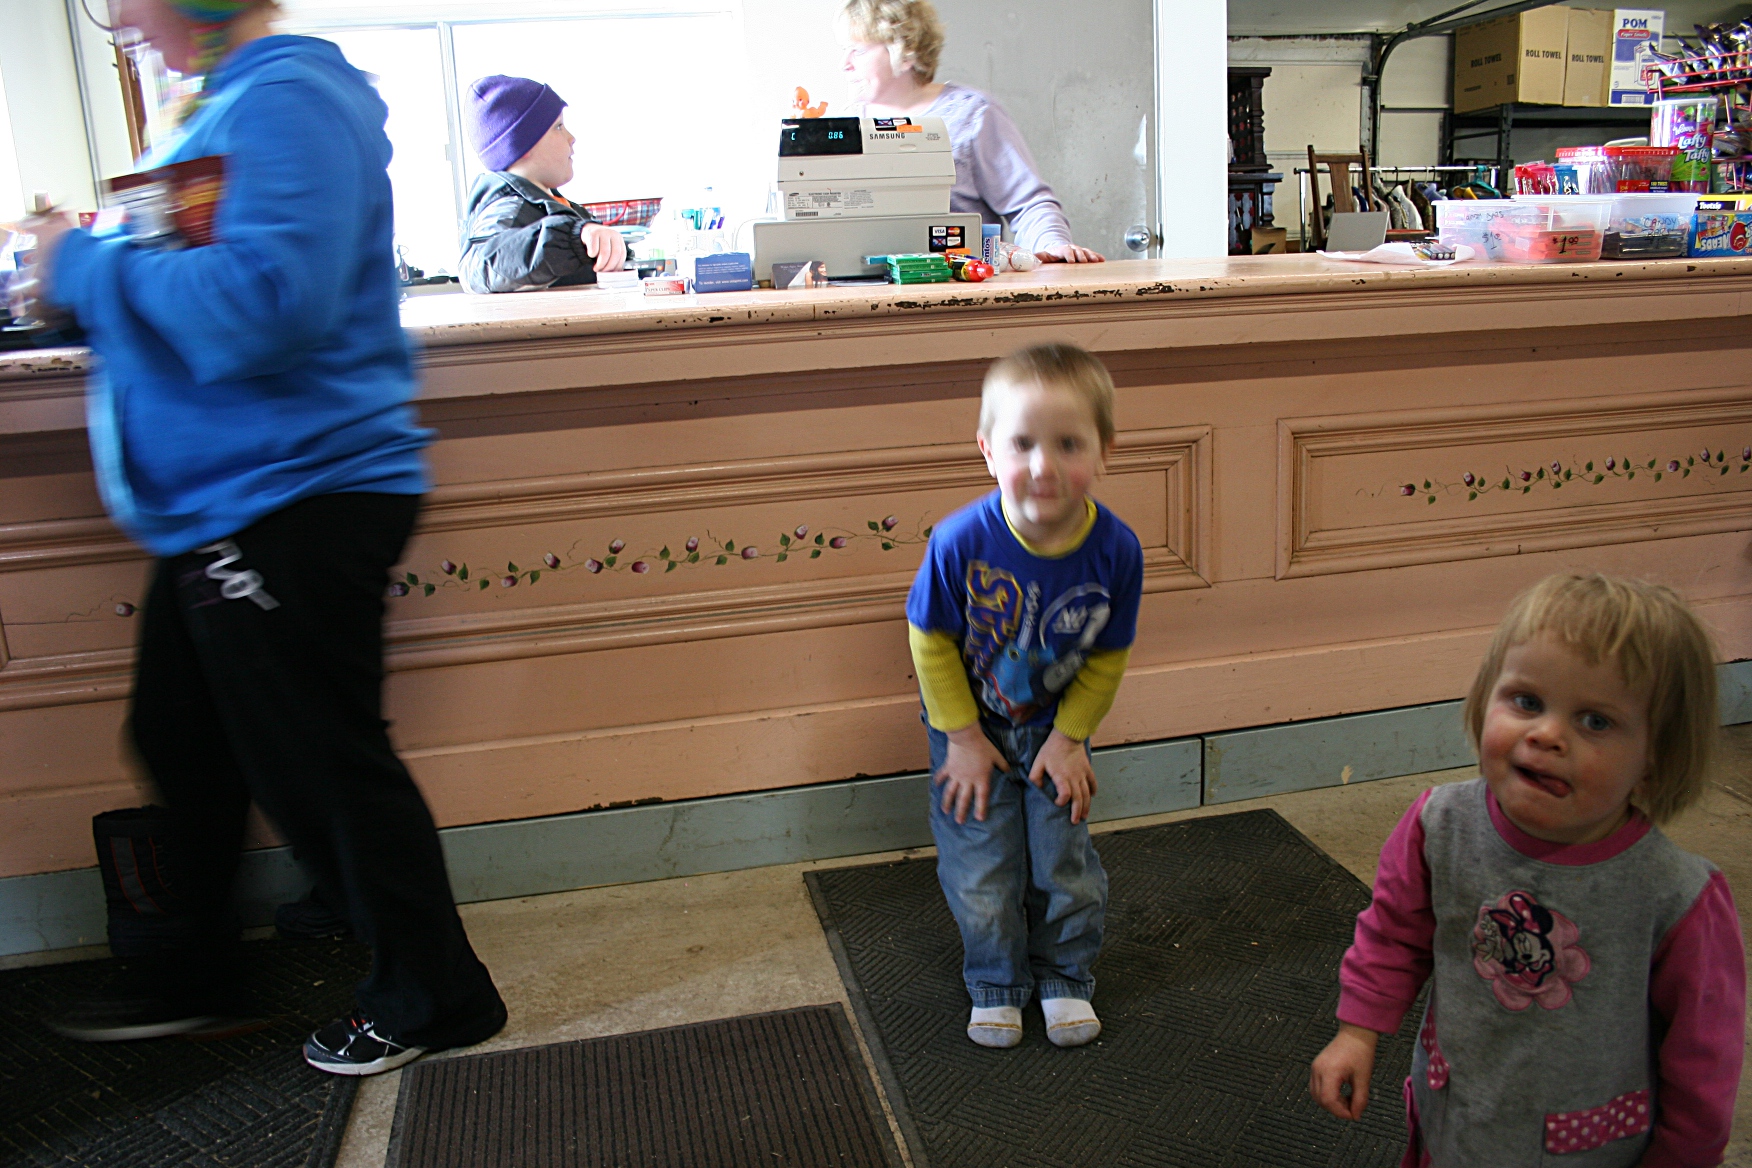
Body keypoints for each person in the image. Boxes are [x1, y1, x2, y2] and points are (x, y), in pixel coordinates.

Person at [26, 0, 507, 1075]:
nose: (120, 23)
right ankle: (193, 978)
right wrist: (82, 269)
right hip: (226, 502)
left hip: (295, 492)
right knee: (185, 736)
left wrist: (85, 269)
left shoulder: (289, 100)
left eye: (129, 2)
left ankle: (436, 997)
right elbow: (195, 273)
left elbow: (262, 307)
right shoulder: (220, 106)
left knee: (319, 763)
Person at [1309, 574, 1745, 1166]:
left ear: (1655, 758)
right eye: (1527, 702)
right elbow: (1392, 933)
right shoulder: (1439, 826)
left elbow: (1703, 1058)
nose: (1546, 735)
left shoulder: (1676, 896)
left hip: (1585, 1147)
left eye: (1596, 721)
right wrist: (1357, 1031)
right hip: (1454, 1116)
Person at [905, 343, 1142, 1048]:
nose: (1042, 466)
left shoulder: (1116, 550)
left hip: (1056, 726)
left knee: (1062, 860)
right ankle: (997, 981)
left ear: (1104, 452)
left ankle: (1065, 977)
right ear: (986, 450)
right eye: (1022, 443)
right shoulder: (958, 542)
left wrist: (1070, 739)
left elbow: (1106, 654)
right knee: (981, 864)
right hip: (967, 724)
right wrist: (964, 739)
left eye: (1068, 444)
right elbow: (930, 641)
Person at [838, 0, 1104, 264]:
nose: (845, 64)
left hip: (963, 289)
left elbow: (1028, 205)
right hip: (865, 295)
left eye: (858, 51)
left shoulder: (972, 114)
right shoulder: (841, 127)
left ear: (904, 52)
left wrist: (1053, 244)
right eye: (845, 50)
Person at [458, 75, 626, 293]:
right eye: (558, 127)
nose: (571, 137)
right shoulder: (508, 207)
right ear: (524, 143)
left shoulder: (556, 205)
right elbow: (478, 266)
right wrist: (572, 239)